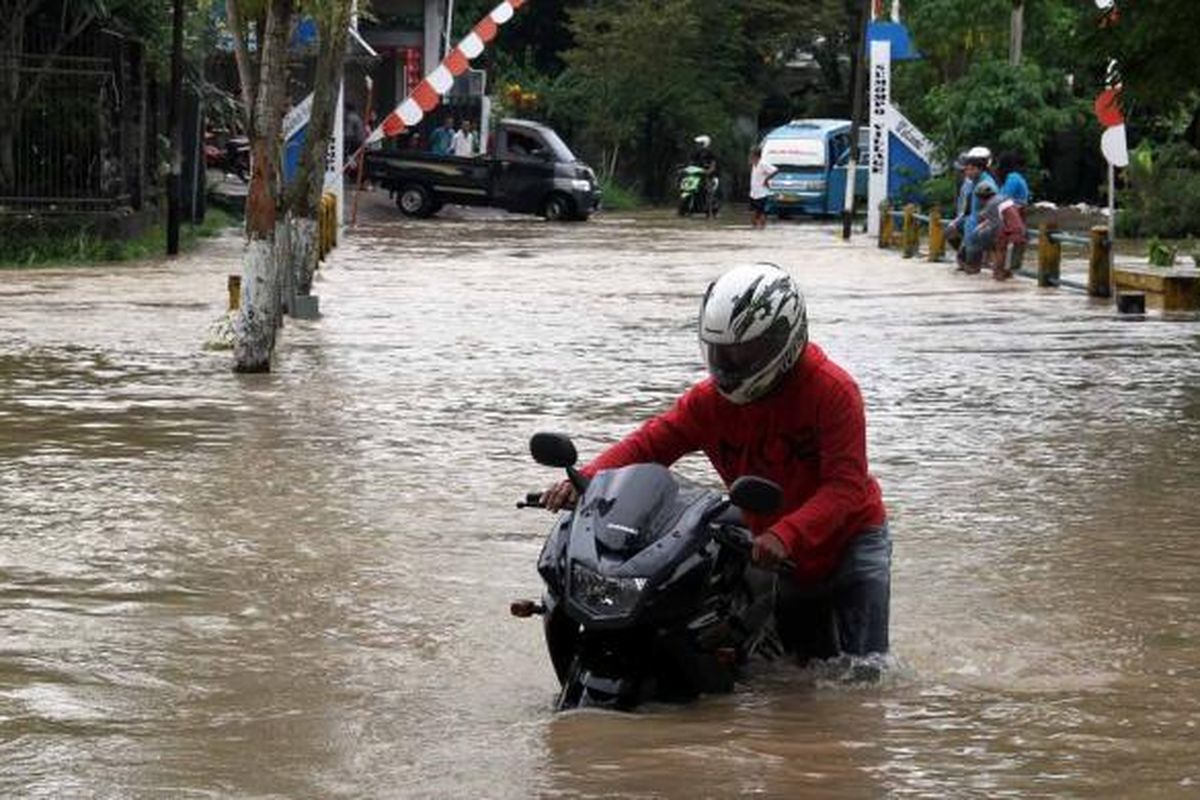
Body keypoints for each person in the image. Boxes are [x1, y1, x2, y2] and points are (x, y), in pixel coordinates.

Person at [543, 263, 891, 664]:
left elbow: (845, 487)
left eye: (746, 351)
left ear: (784, 338)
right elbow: (650, 444)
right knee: (801, 673)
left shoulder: (833, 392)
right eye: (722, 351)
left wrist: (786, 535)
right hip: (773, 545)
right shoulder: (709, 402)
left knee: (864, 672)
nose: (731, 362)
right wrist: (586, 480)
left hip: (849, 539)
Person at [748, 147, 778, 230]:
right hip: (753, 194)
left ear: (755, 156)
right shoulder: (754, 165)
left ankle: (762, 229)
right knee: (754, 215)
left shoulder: (763, 164)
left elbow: (775, 170)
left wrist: (766, 179)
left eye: (751, 155)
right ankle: (756, 230)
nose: (749, 157)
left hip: (762, 194)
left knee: (762, 214)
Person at [690, 134, 719, 214]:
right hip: (696, 175)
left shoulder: (710, 153)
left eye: (700, 143)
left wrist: (709, 170)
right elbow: (691, 163)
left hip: (708, 175)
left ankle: (710, 206)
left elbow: (713, 164)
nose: (698, 145)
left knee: (708, 190)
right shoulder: (696, 153)